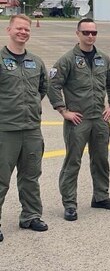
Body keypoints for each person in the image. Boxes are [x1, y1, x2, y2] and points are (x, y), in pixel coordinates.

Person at [48, 18, 110, 222]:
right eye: (86, 32)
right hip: (78, 120)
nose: (90, 36)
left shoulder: (103, 58)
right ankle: (70, 204)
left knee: (101, 160)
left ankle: (101, 196)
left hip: (100, 118)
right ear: (78, 33)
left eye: (93, 33)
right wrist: (63, 110)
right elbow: (53, 85)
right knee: (73, 162)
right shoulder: (67, 59)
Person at [0, 15, 49, 242]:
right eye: (19, 28)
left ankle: (30, 216)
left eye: (26, 29)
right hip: (5, 130)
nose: (23, 32)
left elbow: (42, 88)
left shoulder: (36, 62)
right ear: (9, 29)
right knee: (1, 178)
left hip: (31, 129)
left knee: (31, 176)